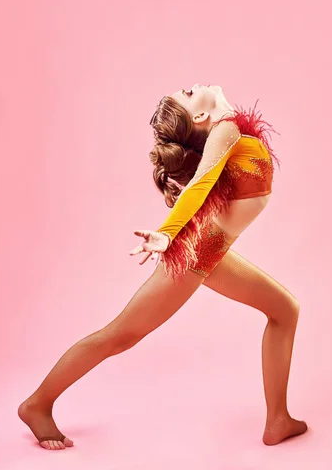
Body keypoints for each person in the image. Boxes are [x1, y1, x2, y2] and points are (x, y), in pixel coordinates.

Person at [18, 84, 308, 450]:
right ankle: (37, 404)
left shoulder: (234, 133)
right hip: (196, 251)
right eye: (188, 93)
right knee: (121, 335)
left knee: (285, 309)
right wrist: (169, 234)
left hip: (212, 250)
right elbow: (200, 184)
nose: (194, 87)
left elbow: (208, 183)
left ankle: (278, 420)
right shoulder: (225, 130)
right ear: (201, 117)